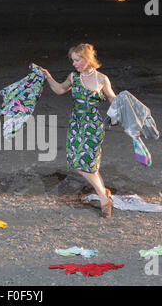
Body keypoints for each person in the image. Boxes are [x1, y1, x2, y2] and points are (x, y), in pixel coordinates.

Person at [39, 43, 117, 218]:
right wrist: (48, 77)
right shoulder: (74, 77)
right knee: (77, 161)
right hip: (76, 123)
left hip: (93, 124)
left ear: (87, 59)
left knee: (87, 163)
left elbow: (112, 98)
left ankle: (104, 197)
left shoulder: (102, 79)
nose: (74, 64)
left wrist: (124, 109)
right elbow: (59, 89)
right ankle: (103, 193)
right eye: (73, 60)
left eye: (77, 60)